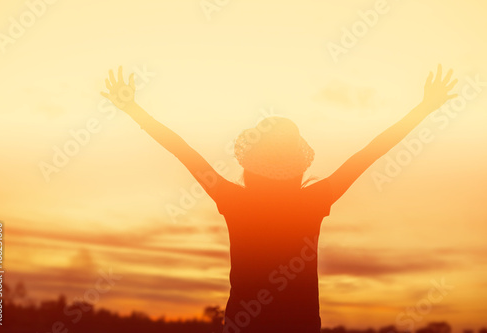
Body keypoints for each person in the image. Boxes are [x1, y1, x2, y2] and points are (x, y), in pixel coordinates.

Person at [101, 65, 457, 333]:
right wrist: (424, 109)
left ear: (251, 164)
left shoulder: (234, 200)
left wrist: (133, 109)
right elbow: (371, 153)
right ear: (297, 166)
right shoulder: (312, 201)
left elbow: (184, 152)